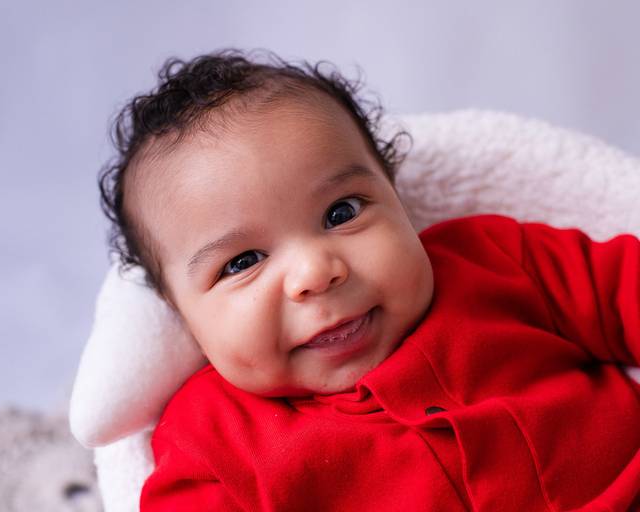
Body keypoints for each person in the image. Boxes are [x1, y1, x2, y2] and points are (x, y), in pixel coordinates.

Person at [97, 48, 640, 511]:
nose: (315, 273)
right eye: (243, 262)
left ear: (396, 196)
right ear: (181, 311)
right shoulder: (212, 442)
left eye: (342, 213)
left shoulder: (494, 261)